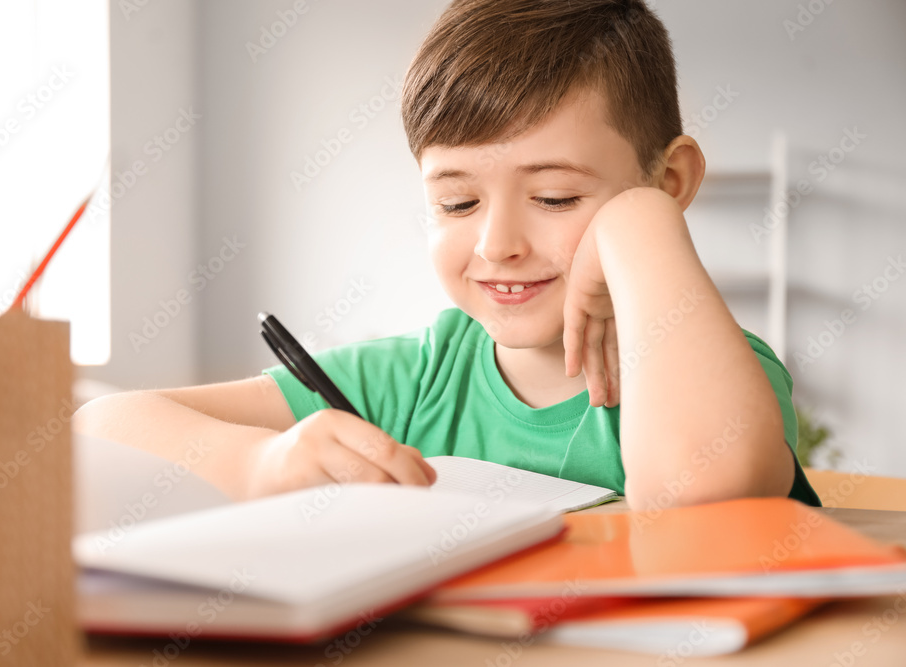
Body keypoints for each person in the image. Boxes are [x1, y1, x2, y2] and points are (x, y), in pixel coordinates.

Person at [74, 0, 820, 509]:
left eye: (557, 197)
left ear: (670, 182)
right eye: (457, 202)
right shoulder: (414, 380)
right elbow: (105, 424)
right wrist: (258, 463)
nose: (497, 244)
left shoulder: (726, 376)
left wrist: (641, 225)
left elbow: (703, 492)